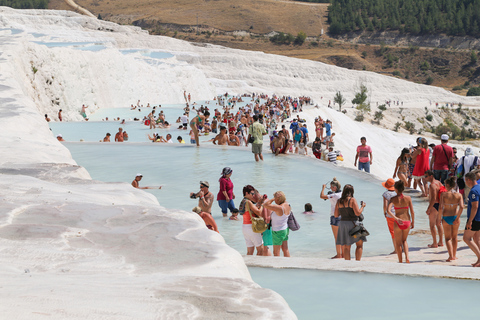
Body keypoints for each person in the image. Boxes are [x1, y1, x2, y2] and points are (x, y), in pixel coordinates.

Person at [334, 184, 366, 260]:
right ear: (352, 191)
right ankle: (357, 263)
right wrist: (362, 206)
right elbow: (357, 213)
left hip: (343, 224)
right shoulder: (352, 200)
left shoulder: (339, 201)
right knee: (359, 245)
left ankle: (347, 264)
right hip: (354, 224)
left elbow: (336, 215)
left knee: (346, 247)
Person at [387, 180, 415, 263]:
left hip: (398, 222)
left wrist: (396, 218)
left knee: (398, 243)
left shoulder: (393, 199)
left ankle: (400, 261)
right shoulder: (408, 198)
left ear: (395, 189)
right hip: (407, 222)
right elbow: (412, 212)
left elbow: (388, 211)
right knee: (404, 241)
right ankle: (407, 258)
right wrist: (413, 222)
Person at [439, 177, 464, 262]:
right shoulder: (459, 195)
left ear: (448, 185)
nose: (445, 186)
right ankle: (454, 255)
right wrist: (457, 217)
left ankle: (450, 256)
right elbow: (461, 207)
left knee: (447, 238)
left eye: (445, 185)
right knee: (455, 237)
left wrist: (439, 218)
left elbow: (440, 207)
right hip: (455, 217)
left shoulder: (444, 194)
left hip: (446, 217)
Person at [263, 191, 291, 257]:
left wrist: (273, 199)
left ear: (277, 199)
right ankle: (289, 264)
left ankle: (277, 266)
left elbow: (265, 205)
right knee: (285, 249)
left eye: (275, 199)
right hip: (285, 229)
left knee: (276, 252)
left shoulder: (279, 208)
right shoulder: (287, 204)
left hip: (278, 231)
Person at [320, 178, 343, 259]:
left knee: (337, 237)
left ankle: (338, 255)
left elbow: (322, 196)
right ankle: (343, 253)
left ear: (335, 187)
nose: (330, 188)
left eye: (331, 187)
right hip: (342, 216)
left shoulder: (334, 195)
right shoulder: (342, 193)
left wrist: (323, 188)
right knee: (342, 236)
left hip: (334, 216)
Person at [463, 171, 480, 267]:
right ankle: (479, 260)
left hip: (475, 218)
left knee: (466, 238)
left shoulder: (473, 191)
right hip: (479, 218)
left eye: (465, 181)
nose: (465, 183)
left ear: (469, 180)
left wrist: (470, 221)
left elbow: (475, 206)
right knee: (476, 239)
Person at [241, 185, 264, 255]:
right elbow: (259, 212)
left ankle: (247, 265)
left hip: (245, 227)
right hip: (252, 227)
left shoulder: (243, 201)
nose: (253, 195)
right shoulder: (248, 202)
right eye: (252, 194)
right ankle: (257, 265)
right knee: (260, 250)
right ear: (247, 193)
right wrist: (262, 205)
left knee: (250, 251)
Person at [424, 170, 444, 248]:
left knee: (432, 225)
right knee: (438, 224)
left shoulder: (432, 185)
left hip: (434, 205)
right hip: (439, 205)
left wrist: (428, 209)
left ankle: (435, 243)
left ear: (431, 176)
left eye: (426, 176)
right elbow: (444, 190)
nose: (425, 178)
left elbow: (433, 198)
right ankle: (441, 242)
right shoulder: (438, 182)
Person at [382, 178, 397, 254]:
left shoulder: (386, 194)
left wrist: (385, 212)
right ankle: (402, 247)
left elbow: (385, 205)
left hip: (390, 215)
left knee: (393, 232)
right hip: (398, 214)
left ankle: (396, 249)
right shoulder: (397, 193)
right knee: (399, 231)